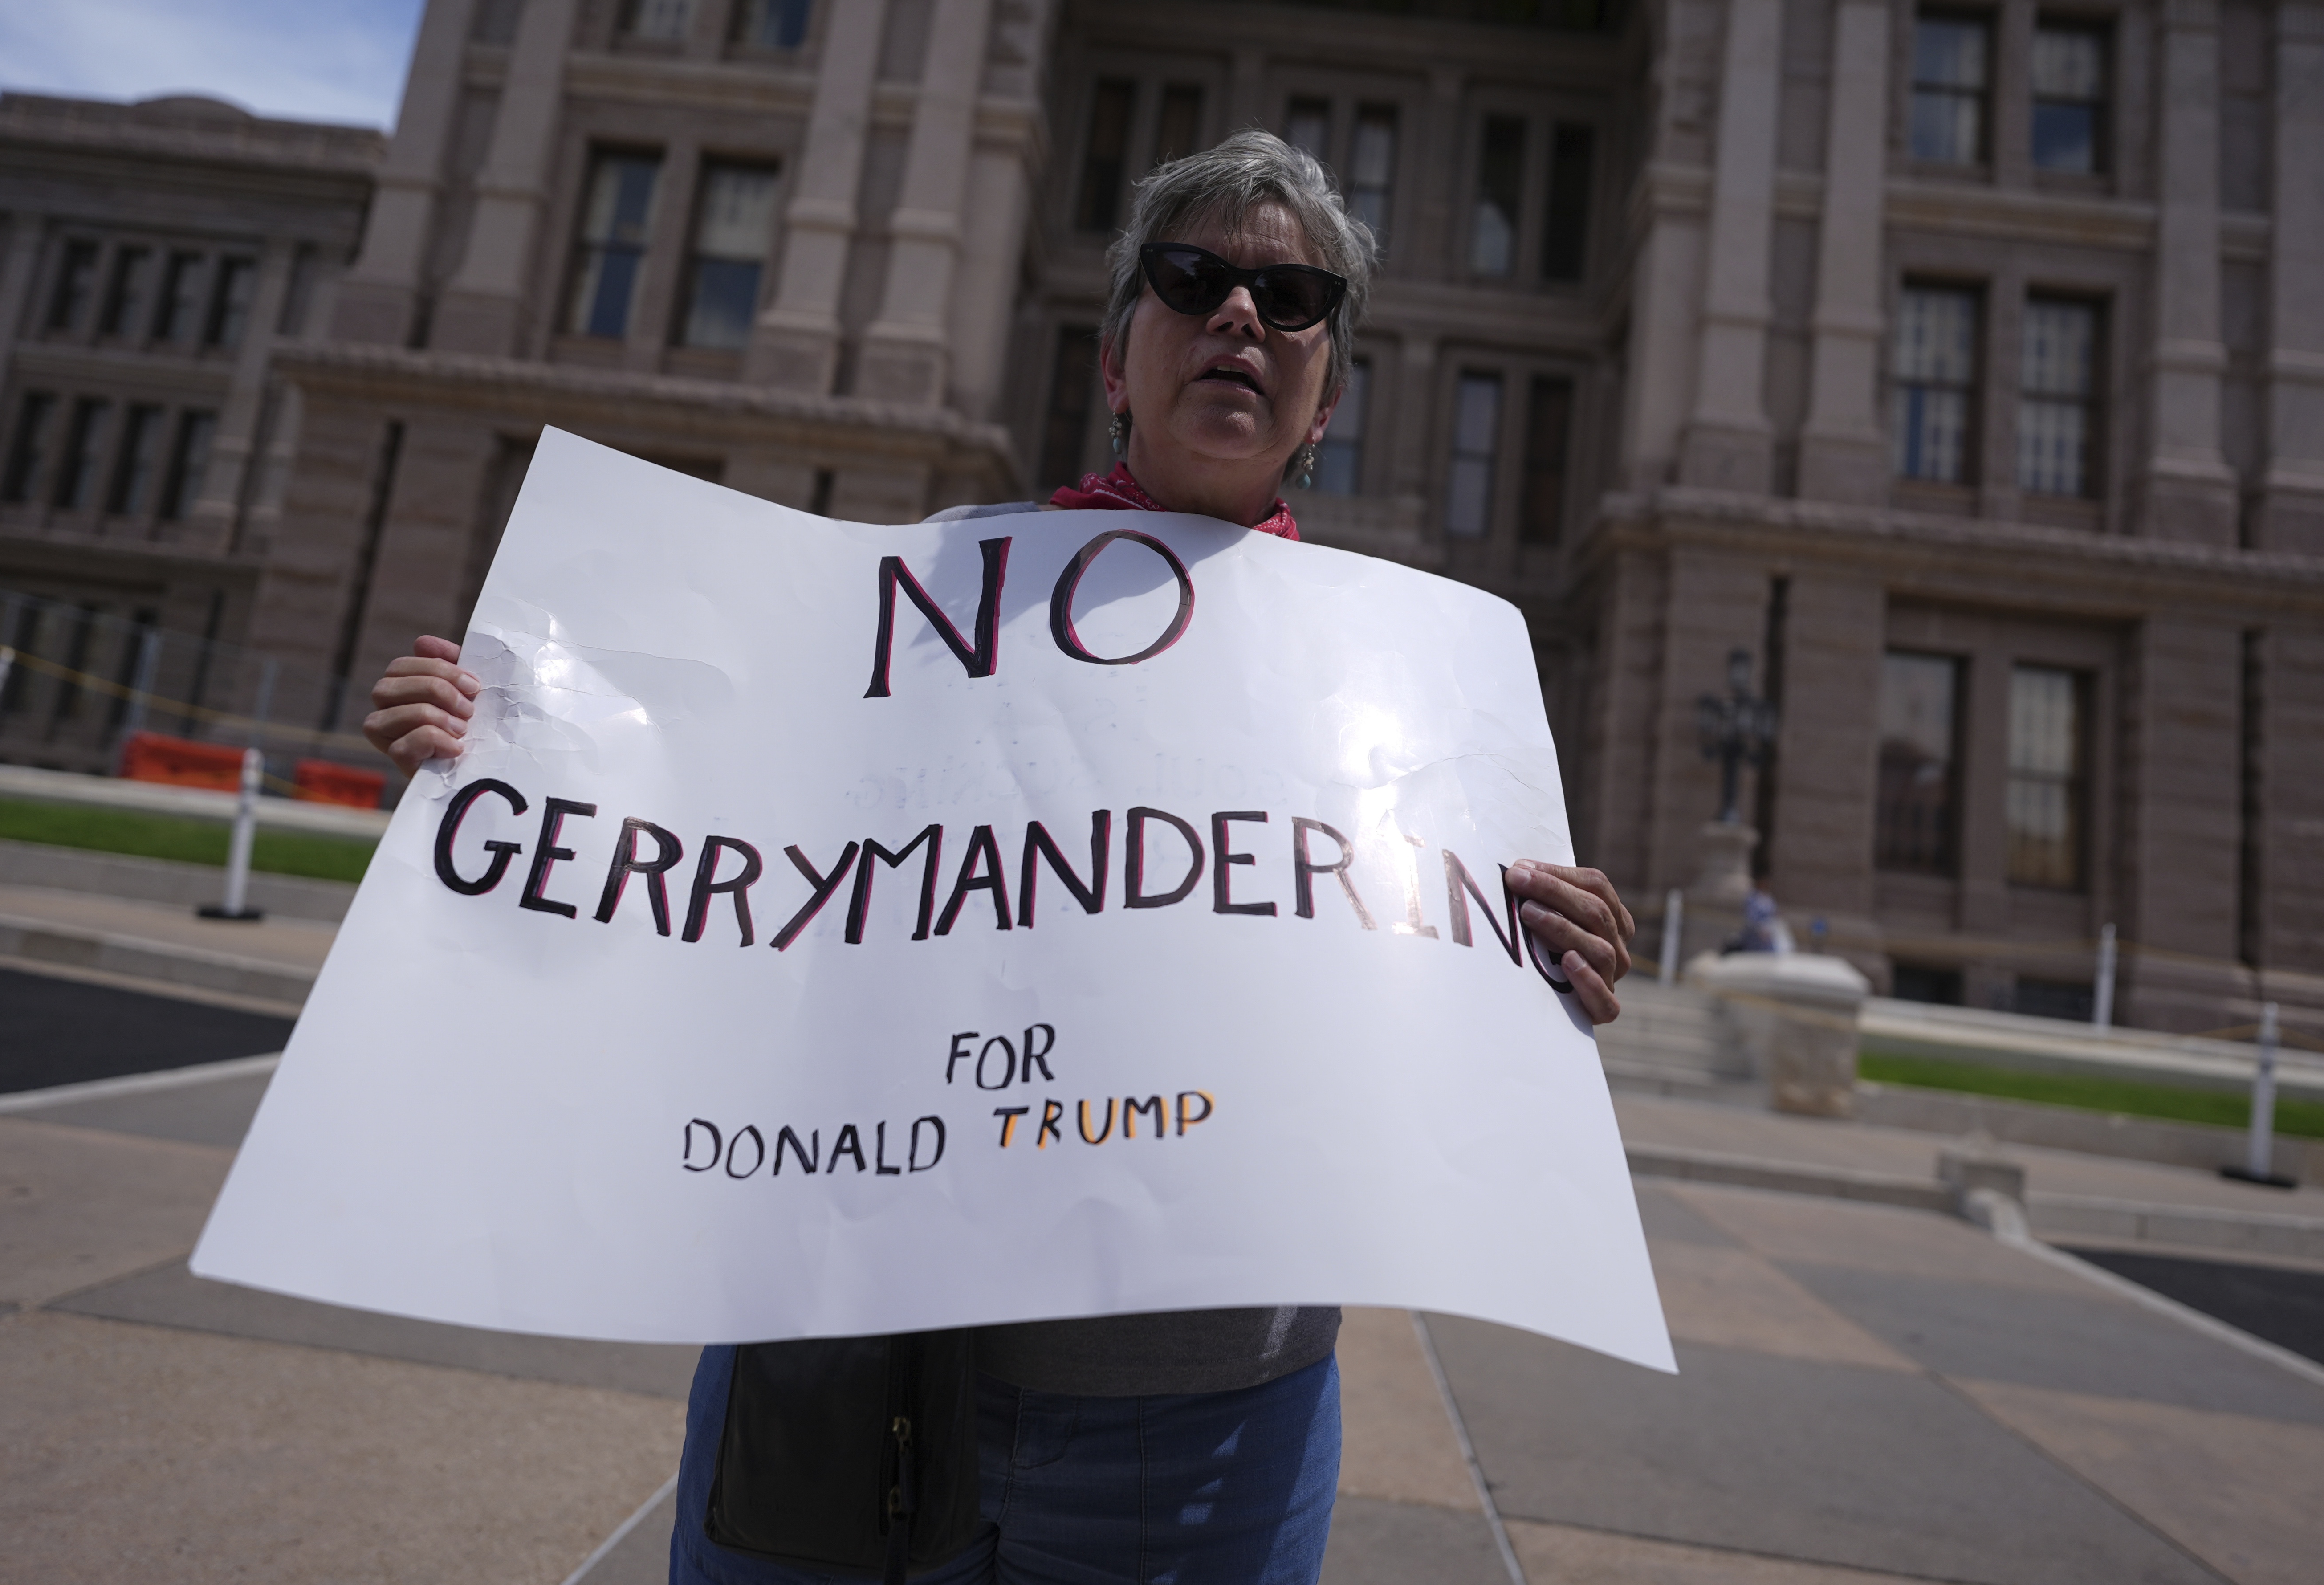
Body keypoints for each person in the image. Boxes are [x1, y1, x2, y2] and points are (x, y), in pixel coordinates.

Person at [365, 131, 1635, 1584]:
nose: (1241, 316)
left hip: (1201, 1426)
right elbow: (709, 846)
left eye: (1292, 301)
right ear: (1115, 362)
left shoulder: (1408, 699)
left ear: (1325, 394)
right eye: (1194, 277)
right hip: (847, 1361)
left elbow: (1418, 1013)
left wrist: (1549, 948)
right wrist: (511, 752)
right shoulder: (917, 597)